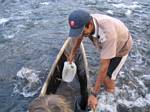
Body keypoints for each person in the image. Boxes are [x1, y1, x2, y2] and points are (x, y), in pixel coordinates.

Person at [67, 10, 132, 110]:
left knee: (107, 78)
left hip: (121, 47)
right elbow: (79, 37)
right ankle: (102, 88)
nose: (80, 34)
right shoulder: (85, 22)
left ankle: (110, 97)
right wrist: (72, 53)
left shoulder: (108, 35)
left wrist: (94, 94)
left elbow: (104, 67)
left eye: (82, 31)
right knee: (104, 71)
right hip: (108, 41)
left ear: (90, 25)